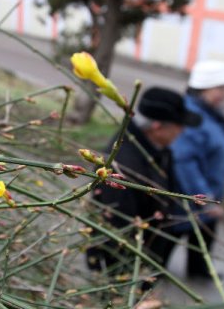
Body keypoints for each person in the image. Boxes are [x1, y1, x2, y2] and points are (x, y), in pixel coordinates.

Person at [86, 86, 201, 272]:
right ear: (157, 127)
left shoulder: (157, 148)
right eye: (179, 127)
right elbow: (118, 229)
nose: (182, 132)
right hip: (122, 263)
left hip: (148, 251)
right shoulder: (122, 167)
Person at [170, 60, 224, 279]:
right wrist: (205, 198)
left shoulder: (211, 112)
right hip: (191, 197)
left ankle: (199, 271)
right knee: (173, 233)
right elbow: (185, 161)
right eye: (220, 88)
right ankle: (149, 275)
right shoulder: (193, 116)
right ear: (202, 88)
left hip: (208, 193)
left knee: (204, 235)